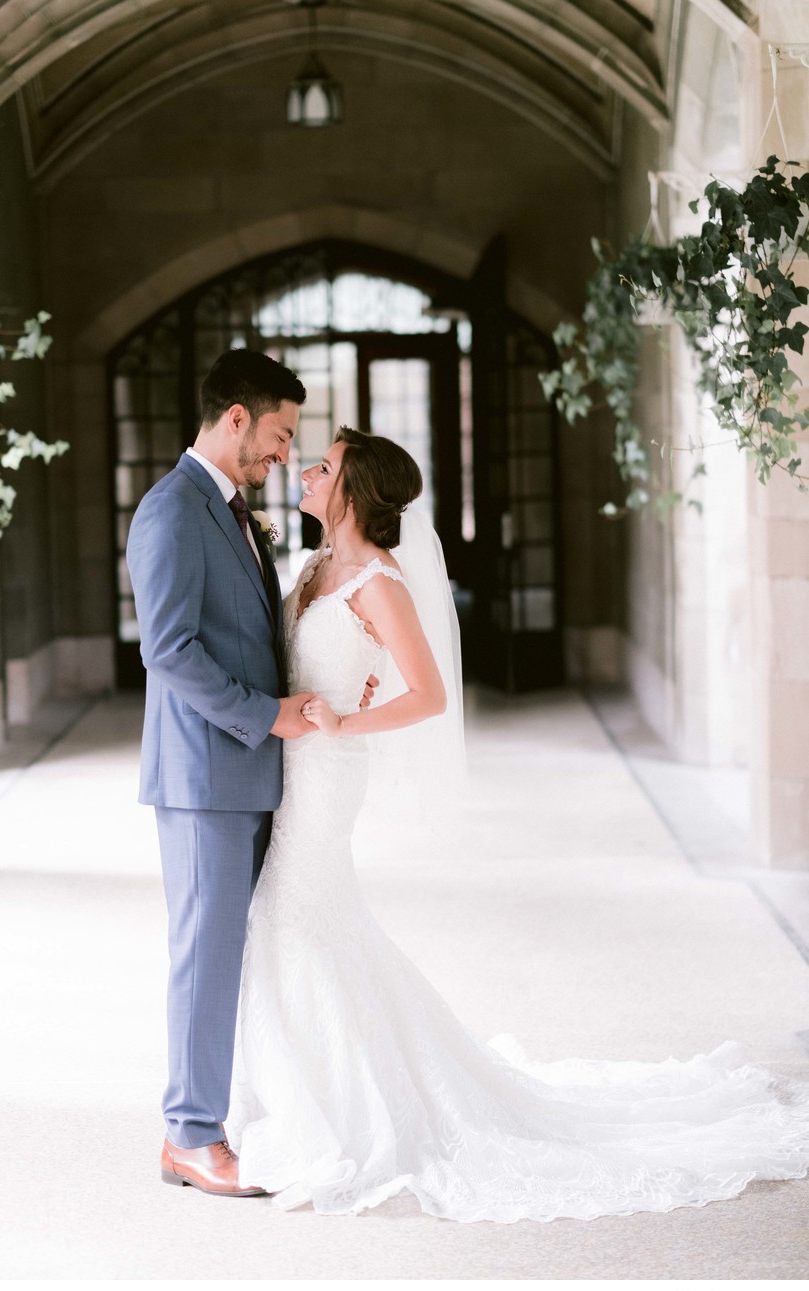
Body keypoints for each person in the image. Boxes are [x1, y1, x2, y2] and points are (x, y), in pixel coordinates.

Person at [226, 425, 809, 1223]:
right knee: (304, 917)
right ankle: (298, 1086)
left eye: (321, 467)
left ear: (351, 492)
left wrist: (341, 726)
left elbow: (427, 694)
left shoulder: (378, 584)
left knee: (295, 912)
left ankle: (329, 1103)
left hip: (326, 772)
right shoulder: (315, 566)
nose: (304, 471)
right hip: (290, 760)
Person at [127, 351, 376, 1198]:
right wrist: (266, 714)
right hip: (203, 775)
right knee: (205, 953)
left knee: (239, 949)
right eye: (276, 435)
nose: (281, 453)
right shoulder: (171, 511)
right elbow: (167, 651)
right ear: (235, 417)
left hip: (250, 771)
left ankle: (223, 1118)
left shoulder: (230, 510)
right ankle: (190, 1135)